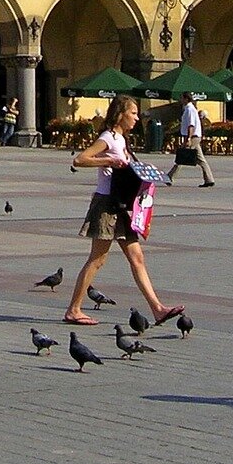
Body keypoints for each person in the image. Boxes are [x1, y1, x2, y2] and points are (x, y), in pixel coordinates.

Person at [62, 95, 184, 328]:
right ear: (120, 114)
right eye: (134, 113)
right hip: (107, 204)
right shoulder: (108, 137)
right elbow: (80, 160)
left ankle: (158, 309)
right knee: (97, 259)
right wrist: (107, 160)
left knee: (137, 257)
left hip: (121, 205)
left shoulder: (121, 139)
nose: (137, 118)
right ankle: (73, 310)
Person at [176, 90, 216, 188]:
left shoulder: (189, 109)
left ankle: (170, 177)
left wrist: (188, 138)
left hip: (193, 136)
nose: (180, 99)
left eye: (182, 97)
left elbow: (191, 125)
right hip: (195, 136)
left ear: (186, 98)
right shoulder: (190, 108)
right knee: (200, 159)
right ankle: (209, 179)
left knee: (182, 156)